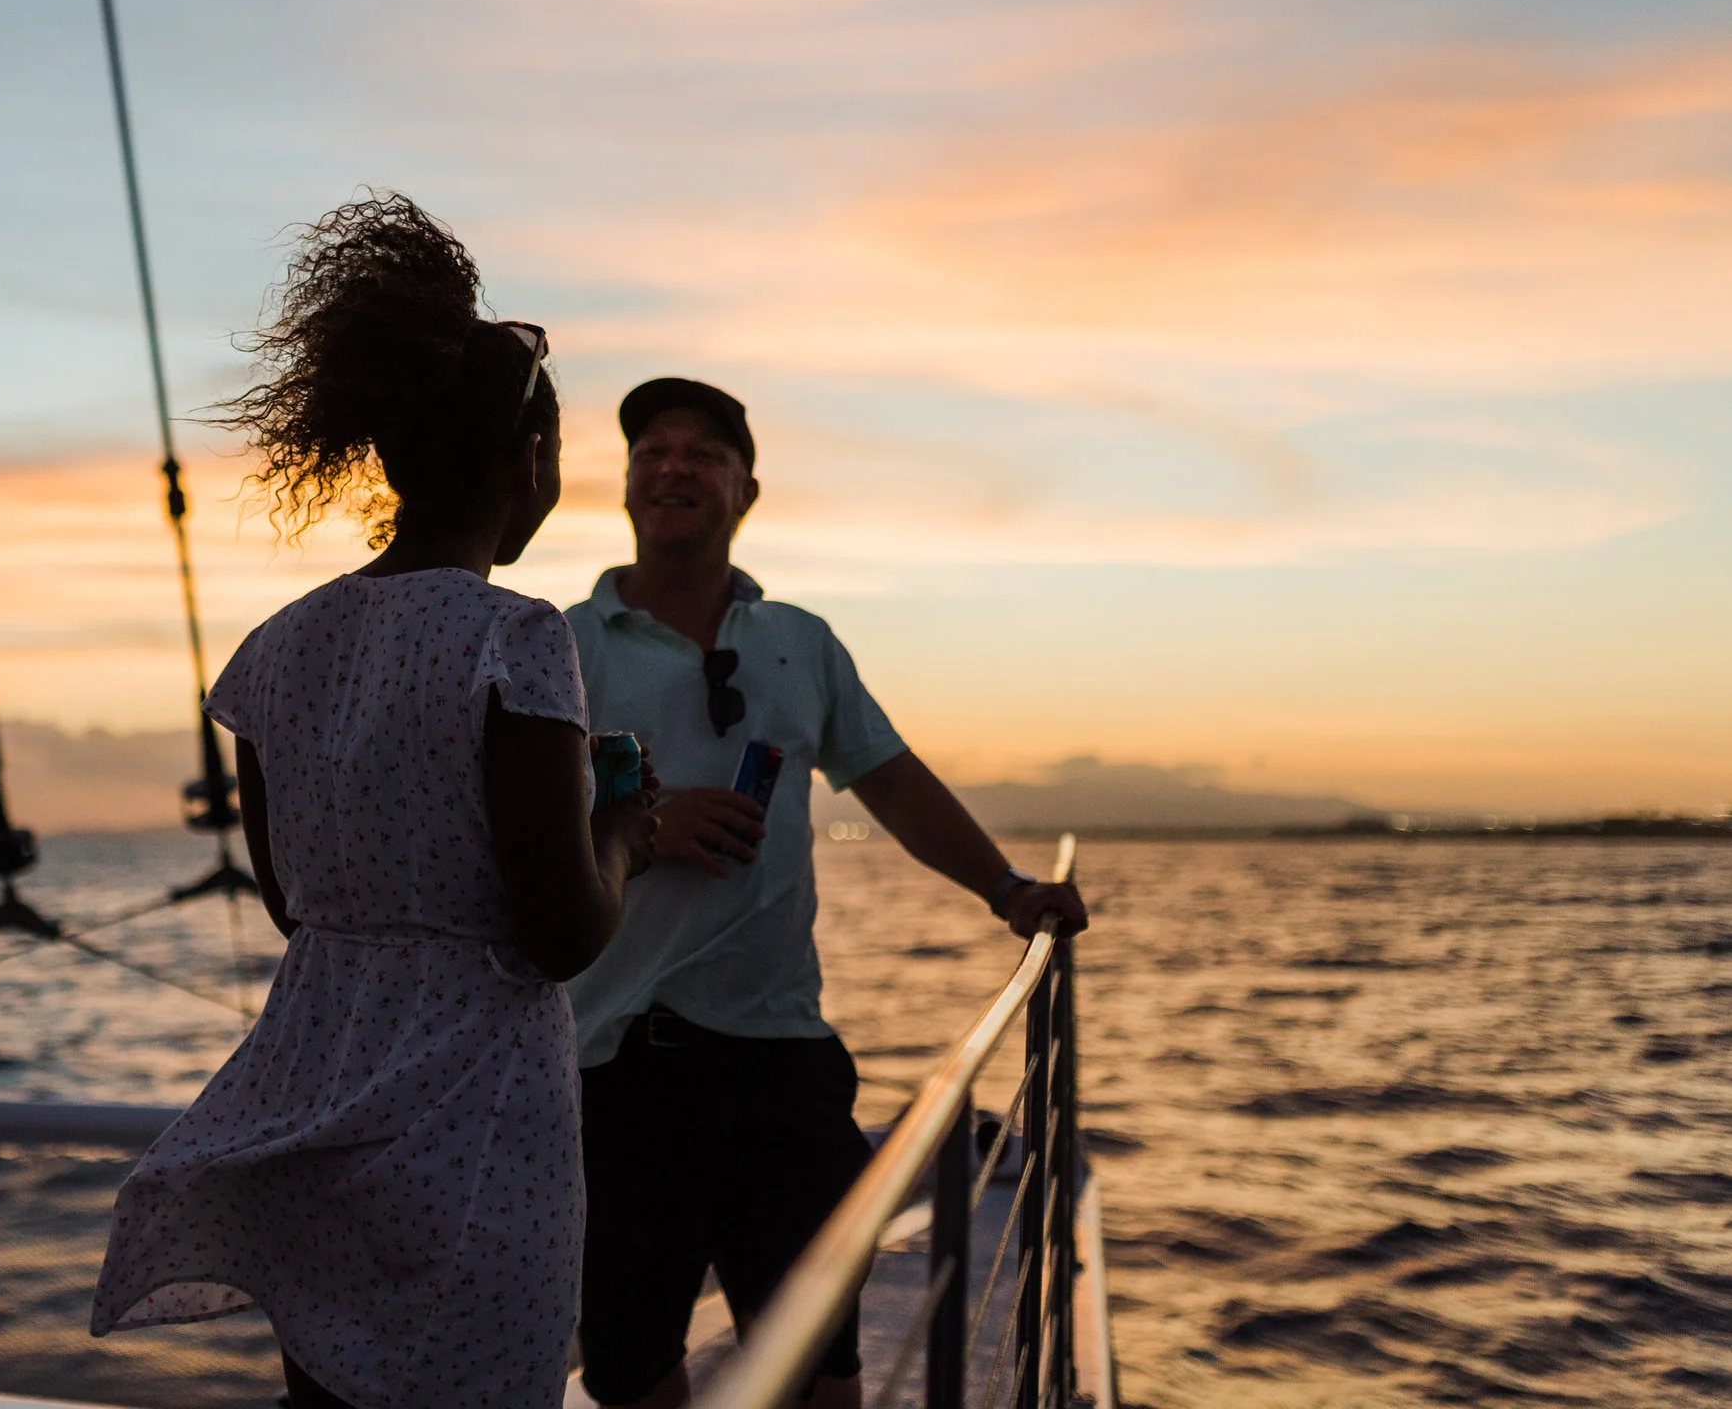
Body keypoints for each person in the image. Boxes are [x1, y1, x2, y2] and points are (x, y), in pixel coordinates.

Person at [91, 195, 662, 1409]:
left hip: (320, 1103)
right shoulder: (517, 636)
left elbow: (295, 901)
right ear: (531, 465)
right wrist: (622, 829)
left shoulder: (275, 650)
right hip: (478, 1124)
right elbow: (559, 930)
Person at [565, 377, 1089, 1409]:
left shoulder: (799, 640)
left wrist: (1008, 887)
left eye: (702, 452)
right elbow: (508, 828)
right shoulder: (559, 645)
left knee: (819, 1361)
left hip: (778, 1052)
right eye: (651, 450)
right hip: (613, 1058)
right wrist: (638, 830)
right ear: (624, 485)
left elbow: (889, 777)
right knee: (629, 1365)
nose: (672, 465)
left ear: (745, 490)